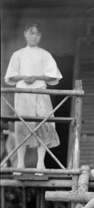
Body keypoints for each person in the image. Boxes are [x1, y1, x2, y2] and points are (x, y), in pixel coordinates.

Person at [4, 22, 62, 173]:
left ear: (40, 36)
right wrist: (22, 77)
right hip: (23, 93)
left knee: (44, 124)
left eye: (37, 34)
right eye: (31, 33)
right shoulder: (18, 55)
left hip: (40, 92)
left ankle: (40, 164)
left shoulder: (45, 54)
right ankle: (20, 164)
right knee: (21, 126)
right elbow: (10, 77)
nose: (34, 36)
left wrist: (36, 76)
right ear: (25, 34)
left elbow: (53, 76)